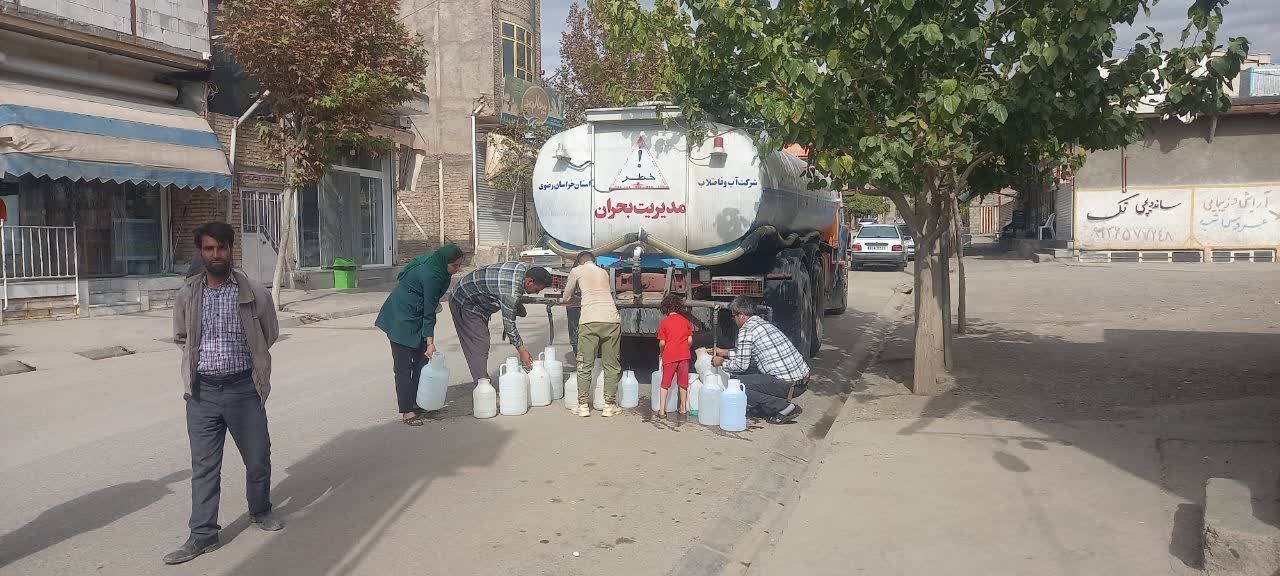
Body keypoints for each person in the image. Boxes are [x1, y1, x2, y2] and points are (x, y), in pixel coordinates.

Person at [166, 222, 281, 565]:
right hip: (202, 394)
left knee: (258, 458)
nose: (215, 255)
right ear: (200, 252)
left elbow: (268, 334)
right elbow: (181, 337)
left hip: (244, 390)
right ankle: (203, 535)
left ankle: (260, 511)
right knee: (204, 467)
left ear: (232, 250)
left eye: (221, 248)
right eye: (208, 249)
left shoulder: (255, 293)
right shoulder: (188, 294)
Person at [375, 243, 466, 426]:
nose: (457, 269)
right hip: (400, 318)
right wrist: (430, 342)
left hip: (413, 313)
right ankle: (407, 410)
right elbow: (429, 312)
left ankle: (418, 402)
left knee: (422, 361)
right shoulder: (432, 275)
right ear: (444, 261)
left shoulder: (437, 267)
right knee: (403, 367)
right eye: (454, 265)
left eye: (459, 265)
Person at [711, 295, 809, 425]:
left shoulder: (746, 331)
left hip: (788, 385)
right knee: (751, 374)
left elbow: (741, 365)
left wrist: (721, 362)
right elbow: (746, 354)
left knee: (734, 384)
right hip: (802, 381)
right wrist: (723, 352)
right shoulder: (761, 324)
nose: (733, 319)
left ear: (741, 315)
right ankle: (766, 405)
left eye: (733, 316)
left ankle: (782, 407)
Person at [449, 261, 552, 383]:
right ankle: (482, 383)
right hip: (465, 301)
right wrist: (522, 350)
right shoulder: (510, 292)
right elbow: (509, 325)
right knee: (480, 343)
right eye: (536, 289)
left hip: (480, 293)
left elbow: (513, 297)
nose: (537, 292)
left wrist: (542, 300)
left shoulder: (524, 267)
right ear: (529, 281)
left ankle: (482, 382)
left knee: (520, 311)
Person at [558, 251, 623, 417]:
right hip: (611, 319)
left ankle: (583, 406)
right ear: (594, 261)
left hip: (589, 320)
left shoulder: (576, 271)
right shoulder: (603, 272)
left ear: (580, 262)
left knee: (585, 364)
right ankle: (609, 405)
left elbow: (566, 296)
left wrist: (563, 299)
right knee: (611, 364)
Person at [656, 293, 694, 418]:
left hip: (669, 355)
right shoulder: (686, 321)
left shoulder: (664, 322)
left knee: (665, 383)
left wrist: (661, 352)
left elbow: (662, 342)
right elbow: (689, 341)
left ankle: (662, 410)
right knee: (683, 383)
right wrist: (684, 348)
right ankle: (683, 407)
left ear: (665, 308)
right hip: (684, 355)